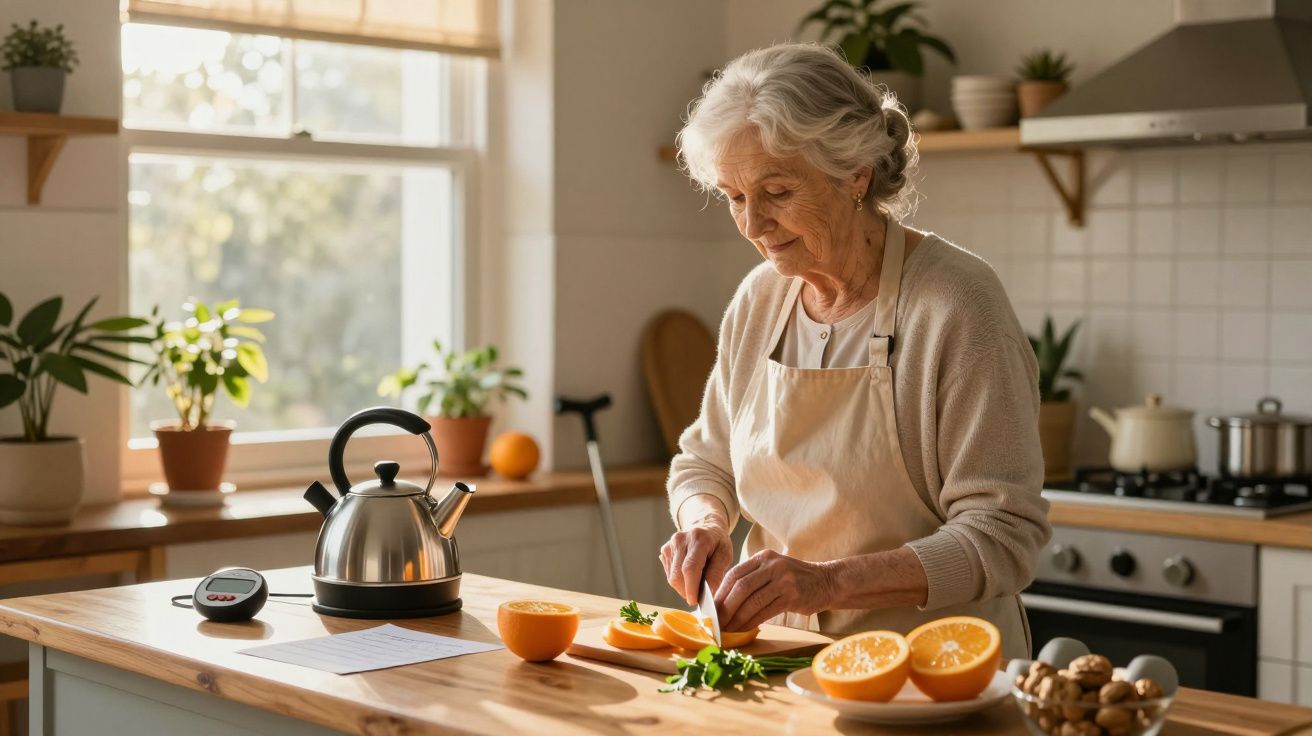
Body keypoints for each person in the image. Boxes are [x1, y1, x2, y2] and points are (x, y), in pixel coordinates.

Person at [659, 43, 1050, 659]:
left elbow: (1002, 535)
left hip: (938, 671)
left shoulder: (958, 304)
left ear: (855, 175)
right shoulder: (760, 301)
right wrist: (704, 523)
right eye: (735, 197)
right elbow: (705, 463)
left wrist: (827, 583)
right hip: (779, 662)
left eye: (777, 191)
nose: (753, 224)